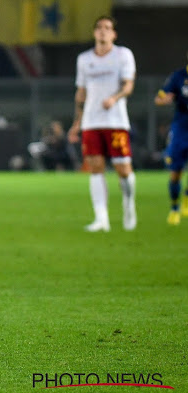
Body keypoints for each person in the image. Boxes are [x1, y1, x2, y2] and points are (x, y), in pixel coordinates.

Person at [67, 16, 137, 232]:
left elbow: (128, 85)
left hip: (115, 121)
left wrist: (114, 99)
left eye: (107, 28)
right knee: (95, 168)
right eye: (99, 28)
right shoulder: (84, 59)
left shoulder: (123, 55)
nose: (102, 32)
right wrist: (77, 122)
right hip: (91, 122)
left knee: (123, 169)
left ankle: (128, 204)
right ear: (94, 33)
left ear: (114, 34)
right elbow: (82, 92)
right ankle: (101, 218)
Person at [154, 59, 188, 225]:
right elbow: (159, 98)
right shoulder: (178, 76)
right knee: (175, 173)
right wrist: (164, 100)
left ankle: (187, 198)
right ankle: (174, 208)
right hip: (181, 130)